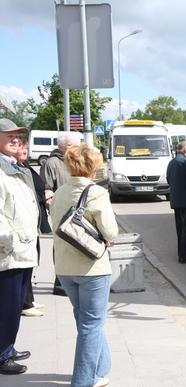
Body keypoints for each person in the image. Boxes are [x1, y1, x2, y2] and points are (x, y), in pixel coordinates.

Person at [49, 144, 118, 387]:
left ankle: (100, 368)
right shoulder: (97, 193)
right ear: (93, 166)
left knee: (85, 319)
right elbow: (111, 231)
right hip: (92, 269)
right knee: (91, 323)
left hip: (65, 268)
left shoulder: (59, 192)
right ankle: (84, 381)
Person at [0, 118, 39, 375]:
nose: (16, 139)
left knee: (14, 306)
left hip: (22, 250)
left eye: (18, 135)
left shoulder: (13, 167)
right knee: (6, 306)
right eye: (9, 135)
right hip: (10, 252)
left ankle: (8, 347)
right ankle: (2, 355)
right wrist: (8, 244)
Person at [40, 132, 81, 296]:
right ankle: (60, 283)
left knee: (78, 245)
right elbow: (46, 188)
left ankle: (75, 279)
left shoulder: (76, 160)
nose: (76, 148)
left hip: (79, 211)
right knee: (62, 246)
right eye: (73, 145)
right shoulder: (52, 163)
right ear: (62, 146)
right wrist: (52, 202)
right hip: (62, 212)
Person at [16, 139, 53, 318]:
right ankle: (25, 303)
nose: (24, 151)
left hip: (33, 222)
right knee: (26, 263)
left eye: (25, 147)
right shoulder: (17, 170)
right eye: (21, 148)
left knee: (32, 261)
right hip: (23, 225)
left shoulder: (25, 167)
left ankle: (28, 299)